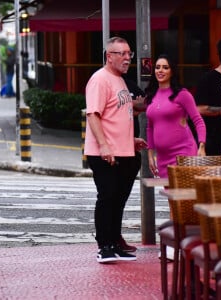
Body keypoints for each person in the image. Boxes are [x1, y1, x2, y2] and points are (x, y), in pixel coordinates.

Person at [84, 37, 147, 264]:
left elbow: (117, 117)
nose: (127, 58)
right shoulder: (100, 80)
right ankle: (104, 246)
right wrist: (103, 145)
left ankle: (114, 243)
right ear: (109, 56)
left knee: (118, 200)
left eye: (129, 53)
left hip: (123, 151)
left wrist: (131, 140)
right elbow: (93, 114)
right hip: (104, 153)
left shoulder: (119, 80)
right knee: (107, 197)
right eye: (122, 53)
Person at [145, 54, 206, 178]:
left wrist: (202, 146)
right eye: (157, 67)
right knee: (171, 196)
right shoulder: (152, 95)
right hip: (162, 158)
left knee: (184, 195)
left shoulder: (182, 94)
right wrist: (150, 155)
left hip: (183, 153)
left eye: (165, 67)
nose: (160, 70)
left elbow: (198, 121)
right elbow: (150, 128)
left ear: (172, 71)